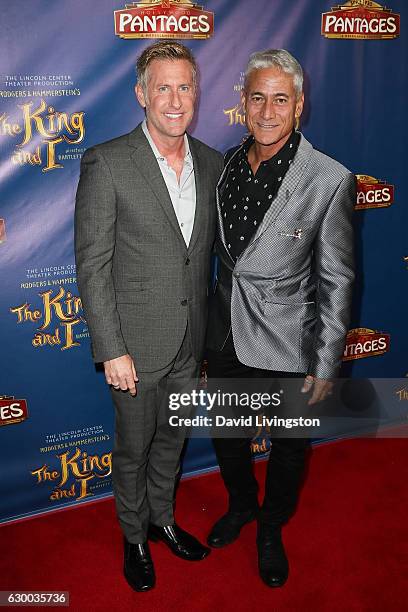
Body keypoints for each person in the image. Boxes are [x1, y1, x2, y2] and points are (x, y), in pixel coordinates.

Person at [75, 40, 223, 592]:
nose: (175, 98)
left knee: (173, 441)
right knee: (134, 448)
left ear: (197, 94)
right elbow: (93, 264)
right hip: (134, 346)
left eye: (185, 85)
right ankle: (133, 535)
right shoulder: (108, 161)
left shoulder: (212, 162)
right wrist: (111, 348)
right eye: (163, 86)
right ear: (141, 94)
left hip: (191, 343)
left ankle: (163, 520)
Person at [206, 49, 355, 588]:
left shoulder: (329, 178)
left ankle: (271, 527)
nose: (268, 111)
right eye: (257, 98)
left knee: (290, 448)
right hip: (223, 333)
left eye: (281, 99)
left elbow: (337, 278)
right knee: (228, 436)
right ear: (243, 103)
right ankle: (243, 504)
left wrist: (326, 363)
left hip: (291, 340)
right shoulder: (222, 164)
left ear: (299, 106)